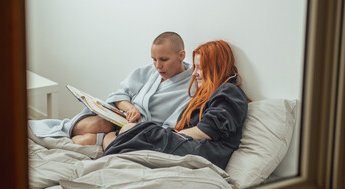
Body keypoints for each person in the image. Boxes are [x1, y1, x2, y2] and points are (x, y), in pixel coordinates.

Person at [101, 40, 249, 170]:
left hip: (203, 151)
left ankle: (112, 148)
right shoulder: (209, 94)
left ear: (215, 67)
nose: (194, 73)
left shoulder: (229, 91)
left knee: (132, 131)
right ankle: (113, 149)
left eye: (199, 68)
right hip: (190, 144)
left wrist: (171, 135)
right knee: (125, 133)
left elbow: (207, 131)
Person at [28, 32, 194, 146]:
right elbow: (119, 95)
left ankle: (70, 136)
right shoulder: (149, 71)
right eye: (154, 59)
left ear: (181, 55)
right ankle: (47, 130)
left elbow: (172, 128)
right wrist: (130, 108)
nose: (158, 66)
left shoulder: (190, 88)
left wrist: (138, 125)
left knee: (82, 142)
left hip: (139, 131)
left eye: (164, 59)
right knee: (100, 124)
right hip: (119, 119)